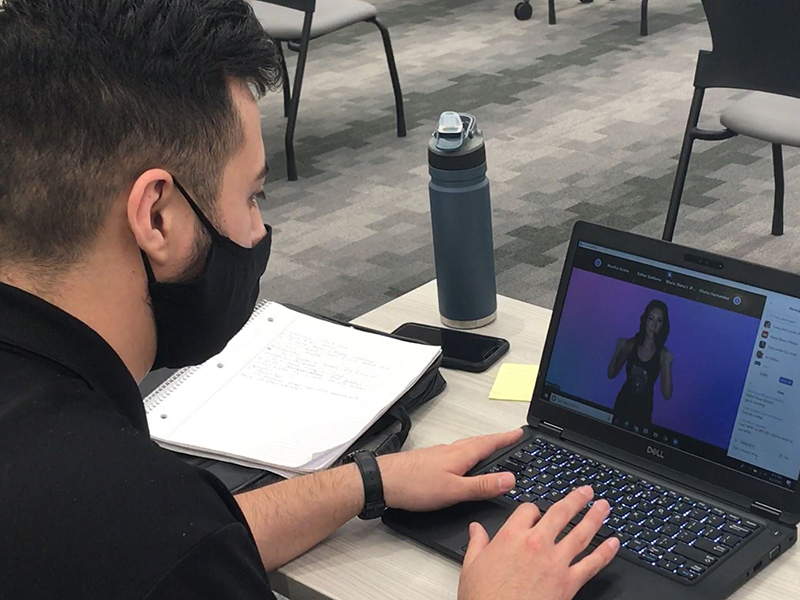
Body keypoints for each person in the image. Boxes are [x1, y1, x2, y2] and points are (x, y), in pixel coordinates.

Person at [0, 1, 619, 599]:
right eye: (252, 198)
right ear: (157, 217)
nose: (258, 235)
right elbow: (174, 544)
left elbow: (206, 533)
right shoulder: (134, 525)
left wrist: (367, 482)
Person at [607, 299, 674, 428]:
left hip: (643, 410)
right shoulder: (632, 344)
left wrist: (667, 364)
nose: (653, 325)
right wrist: (617, 349)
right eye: (651, 319)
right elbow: (611, 374)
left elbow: (667, 394)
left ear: (663, 325)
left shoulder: (663, 354)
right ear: (645, 320)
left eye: (659, 321)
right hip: (623, 404)